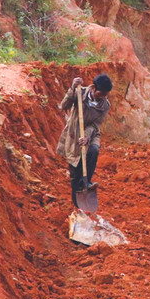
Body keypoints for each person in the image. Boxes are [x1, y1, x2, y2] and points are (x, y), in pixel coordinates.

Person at [56, 74, 113, 208]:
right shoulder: (79, 93)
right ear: (93, 88)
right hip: (74, 133)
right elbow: (64, 105)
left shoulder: (105, 105)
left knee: (93, 151)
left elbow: (95, 124)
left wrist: (87, 136)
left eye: (105, 94)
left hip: (91, 133)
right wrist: (72, 88)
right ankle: (78, 203)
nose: (102, 97)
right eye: (100, 94)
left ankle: (86, 181)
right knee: (75, 172)